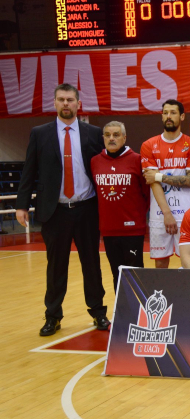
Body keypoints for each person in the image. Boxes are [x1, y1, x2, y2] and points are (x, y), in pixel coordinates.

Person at [16, 83, 107, 336]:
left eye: (70, 99)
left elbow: (104, 165)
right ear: (54, 103)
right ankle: (53, 316)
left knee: (92, 263)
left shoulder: (93, 133)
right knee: (56, 266)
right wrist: (22, 205)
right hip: (54, 211)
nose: (66, 103)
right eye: (61, 99)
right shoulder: (40, 133)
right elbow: (29, 170)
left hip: (87, 208)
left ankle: (98, 312)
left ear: (78, 104)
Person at [141, 100, 190, 269]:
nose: (168, 116)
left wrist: (158, 176)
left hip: (186, 213)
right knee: (161, 262)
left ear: (182, 117)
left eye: (173, 113)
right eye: (165, 113)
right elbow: (152, 182)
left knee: (188, 260)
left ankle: (189, 288)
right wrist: (167, 213)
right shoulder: (148, 145)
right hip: (159, 214)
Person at [91, 121, 149, 293]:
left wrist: (136, 217)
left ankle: (139, 308)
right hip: (108, 230)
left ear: (124, 138)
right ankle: (122, 308)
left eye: (116, 135)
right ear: (103, 138)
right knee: (116, 274)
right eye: (108, 135)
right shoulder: (95, 161)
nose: (111, 138)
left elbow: (147, 193)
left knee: (135, 273)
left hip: (133, 230)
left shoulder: (137, 160)